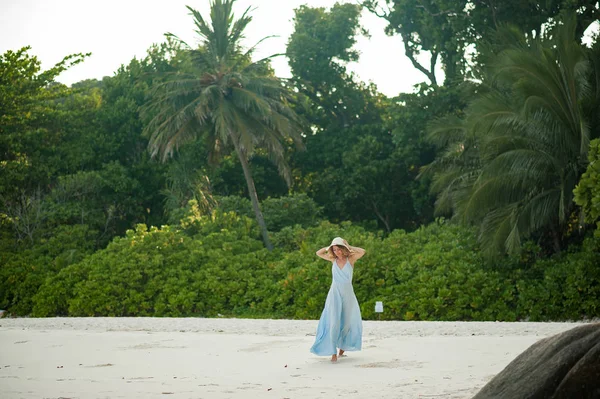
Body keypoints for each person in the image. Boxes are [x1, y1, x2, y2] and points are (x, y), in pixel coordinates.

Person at [310, 236, 366, 362]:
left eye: (338, 249)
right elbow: (318, 253)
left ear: (343, 248)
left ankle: (342, 348)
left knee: (346, 323)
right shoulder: (332, 259)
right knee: (334, 322)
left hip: (348, 294)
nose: (337, 252)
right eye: (334, 250)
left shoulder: (350, 259)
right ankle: (332, 352)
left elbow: (362, 251)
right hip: (334, 293)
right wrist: (329, 247)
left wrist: (349, 246)